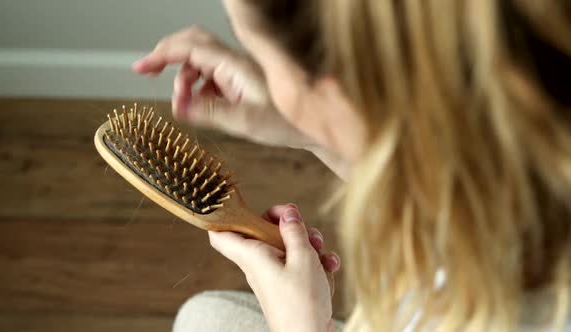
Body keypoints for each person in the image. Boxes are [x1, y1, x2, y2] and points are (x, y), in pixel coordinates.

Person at [132, 0, 571, 331]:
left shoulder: (517, 312)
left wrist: (301, 328)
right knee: (204, 316)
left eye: (260, 53)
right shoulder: (522, 133)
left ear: (338, 83)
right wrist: (311, 126)